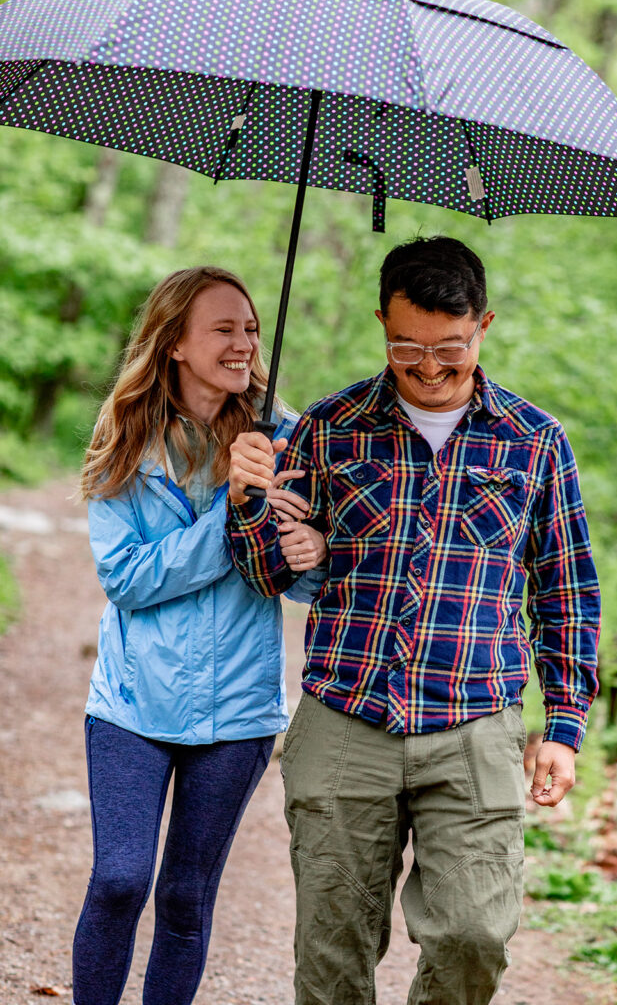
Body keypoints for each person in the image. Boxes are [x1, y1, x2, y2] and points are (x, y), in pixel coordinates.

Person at [226, 237, 601, 1005]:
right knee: (332, 950)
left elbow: (564, 592)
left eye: (450, 351)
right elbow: (264, 571)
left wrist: (562, 726)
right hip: (346, 717)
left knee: (473, 935)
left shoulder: (535, 443)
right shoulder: (330, 427)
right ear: (379, 325)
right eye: (406, 348)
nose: (428, 367)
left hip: (472, 726)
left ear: (483, 327)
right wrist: (247, 502)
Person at [73, 266, 326, 1005]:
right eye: (223, 328)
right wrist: (235, 512)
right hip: (131, 704)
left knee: (185, 900)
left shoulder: (284, 437)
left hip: (238, 713)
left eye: (250, 328)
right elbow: (127, 578)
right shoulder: (125, 435)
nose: (244, 342)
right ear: (175, 342)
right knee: (120, 880)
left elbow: (300, 583)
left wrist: (308, 550)